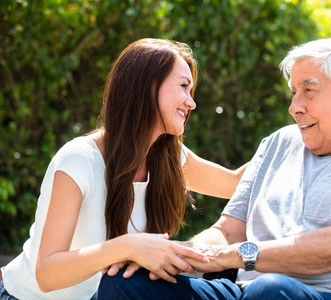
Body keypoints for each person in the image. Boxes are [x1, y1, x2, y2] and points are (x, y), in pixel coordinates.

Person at [97, 37, 331, 300]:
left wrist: (235, 256)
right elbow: (228, 231)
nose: (294, 107)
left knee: (271, 291)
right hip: (247, 292)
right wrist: (181, 256)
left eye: (308, 91)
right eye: (292, 93)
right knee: (122, 284)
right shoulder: (279, 143)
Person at [0, 38, 246, 300]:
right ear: (147, 86)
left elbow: (237, 183)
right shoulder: (80, 159)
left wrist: (292, 132)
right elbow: (47, 274)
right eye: (184, 87)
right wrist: (126, 247)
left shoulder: (170, 158)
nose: (191, 102)